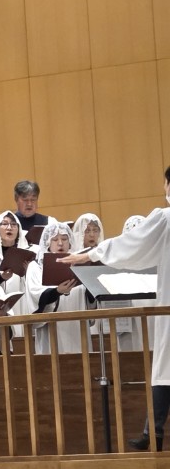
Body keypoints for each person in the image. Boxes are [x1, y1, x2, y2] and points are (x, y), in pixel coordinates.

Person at [64, 171, 170, 449]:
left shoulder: (166, 218)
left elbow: (132, 243)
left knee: (165, 367)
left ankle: (154, 434)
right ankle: (153, 432)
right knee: (165, 367)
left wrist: (91, 254)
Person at [23, 219, 87, 353]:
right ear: (47, 242)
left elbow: (88, 301)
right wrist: (57, 291)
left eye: (64, 239)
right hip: (50, 332)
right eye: (55, 239)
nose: (60, 243)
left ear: (70, 242)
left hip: (77, 330)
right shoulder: (36, 267)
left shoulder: (80, 265)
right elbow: (34, 295)